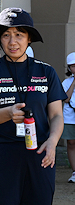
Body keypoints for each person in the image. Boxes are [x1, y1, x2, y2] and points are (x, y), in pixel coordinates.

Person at [0, 7, 66, 205]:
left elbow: (57, 115)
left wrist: (53, 142)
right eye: (6, 35)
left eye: (19, 34)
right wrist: (7, 113)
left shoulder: (46, 71)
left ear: (29, 38)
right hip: (2, 156)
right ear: (0, 39)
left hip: (41, 154)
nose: (12, 41)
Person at [61, 52, 75, 183]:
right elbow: (65, 99)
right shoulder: (66, 82)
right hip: (70, 117)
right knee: (71, 143)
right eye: (73, 66)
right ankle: (74, 172)